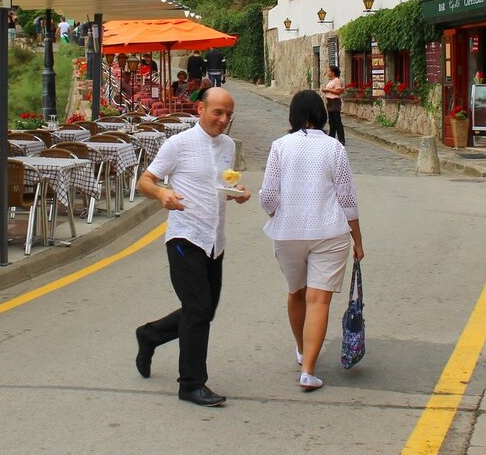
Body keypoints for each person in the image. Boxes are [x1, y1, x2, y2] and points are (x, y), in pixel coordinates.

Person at [134, 88, 250, 407]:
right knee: (198, 310)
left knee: (204, 310)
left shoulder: (228, 146)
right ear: (200, 108)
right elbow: (145, 180)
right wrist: (162, 195)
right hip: (185, 237)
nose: (223, 120)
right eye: (217, 113)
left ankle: (150, 335)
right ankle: (191, 384)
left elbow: (221, 184)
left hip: (215, 240)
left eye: (228, 115)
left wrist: (236, 192)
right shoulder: (178, 144)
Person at [260, 90, 363, 391]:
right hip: (330, 231)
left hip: (288, 233)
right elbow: (347, 197)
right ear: (322, 114)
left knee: (296, 293)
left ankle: (302, 348)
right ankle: (308, 371)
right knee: (319, 300)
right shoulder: (334, 148)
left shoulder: (279, 146)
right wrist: (358, 239)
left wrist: (274, 213)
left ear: (292, 115)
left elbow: (268, 195)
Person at [320, 63, 345, 145]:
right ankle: (332, 136)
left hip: (335, 101)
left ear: (333, 73)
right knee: (331, 121)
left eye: (329, 71)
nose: (328, 72)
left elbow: (338, 91)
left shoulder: (337, 80)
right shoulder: (331, 81)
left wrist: (328, 90)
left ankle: (341, 139)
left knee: (337, 120)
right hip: (330, 102)